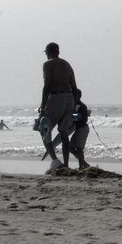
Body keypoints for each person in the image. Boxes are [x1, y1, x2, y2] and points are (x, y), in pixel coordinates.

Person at [39, 42, 79, 170]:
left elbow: (47, 86)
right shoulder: (67, 64)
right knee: (64, 133)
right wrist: (75, 104)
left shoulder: (48, 64)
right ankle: (66, 165)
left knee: (43, 127)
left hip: (56, 97)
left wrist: (43, 106)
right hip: (69, 98)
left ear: (48, 52)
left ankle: (55, 160)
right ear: (58, 52)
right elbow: (74, 86)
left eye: (46, 52)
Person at [42, 90, 91, 169]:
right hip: (78, 129)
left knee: (79, 149)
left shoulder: (82, 106)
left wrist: (69, 116)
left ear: (78, 96)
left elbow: (81, 118)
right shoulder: (74, 105)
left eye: (74, 96)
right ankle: (84, 164)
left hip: (82, 129)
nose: (72, 97)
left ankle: (82, 166)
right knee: (71, 148)